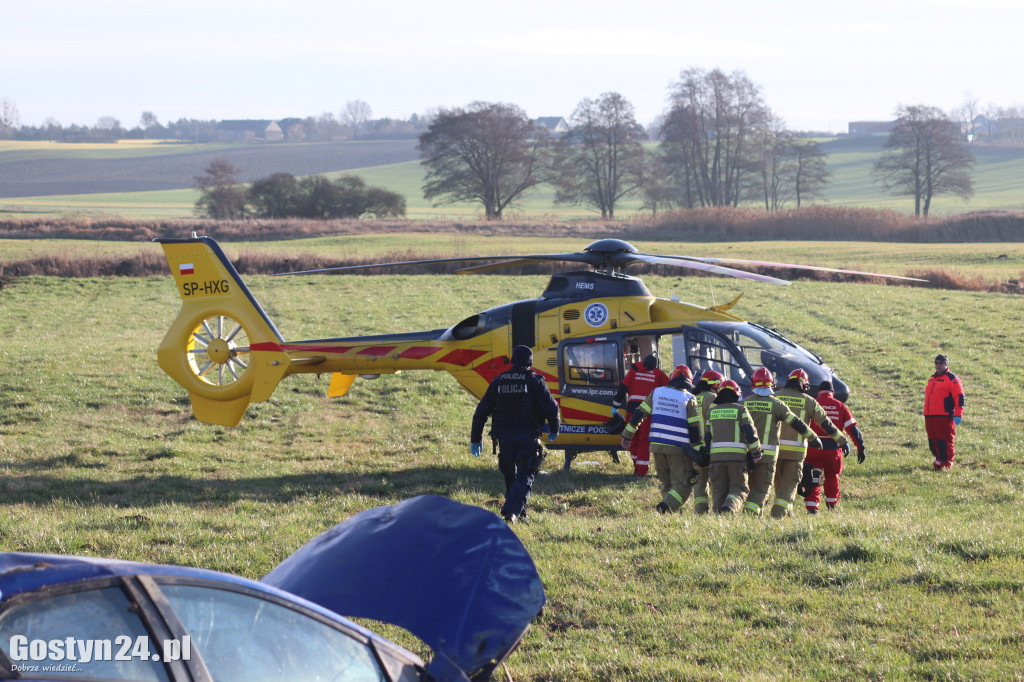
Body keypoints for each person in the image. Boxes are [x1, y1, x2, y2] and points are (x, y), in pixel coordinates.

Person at [471, 345, 561, 523]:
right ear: (530, 362)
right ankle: (511, 511)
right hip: (527, 435)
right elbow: (552, 407)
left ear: (513, 360)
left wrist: (476, 438)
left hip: (504, 437)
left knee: (510, 474)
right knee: (526, 473)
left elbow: (481, 411)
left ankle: (519, 512)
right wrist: (554, 428)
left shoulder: (498, 381)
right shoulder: (535, 381)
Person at [620, 364, 705, 513]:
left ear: (671, 378)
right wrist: (698, 452)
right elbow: (694, 429)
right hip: (679, 449)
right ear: (689, 382)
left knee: (667, 484)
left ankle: (669, 514)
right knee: (683, 484)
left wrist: (627, 436)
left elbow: (639, 414)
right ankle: (665, 507)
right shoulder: (689, 398)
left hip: (657, 446)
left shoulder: (657, 393)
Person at [741, 368, 821, 516]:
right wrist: (813, 437)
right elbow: (796, 423)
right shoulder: (777, 404)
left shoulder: (744, 404)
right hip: (769, 455)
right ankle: (755, 515)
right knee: (762, 489)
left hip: (747, 454)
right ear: (771, 384)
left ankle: (752, 515)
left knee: (752, 487)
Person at [771, 368, 847, 519]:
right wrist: (842, 441)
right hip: (796, 453)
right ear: (805, 385)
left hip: (775, 450)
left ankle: (788, 513)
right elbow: (826, 424)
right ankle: (779, 515)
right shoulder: (809, 401)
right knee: (790, 484)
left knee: (779, 485)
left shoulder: (775, 397)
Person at [803, 380, 866, 512]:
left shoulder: (812, 403)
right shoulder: (841, 406)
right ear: (833, 393)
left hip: (813, 448)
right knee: (833, 477)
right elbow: (852, 429)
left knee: (814, 477)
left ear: (819, 392)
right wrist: (860, 447)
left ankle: (812, 507)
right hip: (833, 449)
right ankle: (831, 505)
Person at [705, 379, 762, 513]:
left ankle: (719, 518)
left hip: (716, 459)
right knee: (740, 488)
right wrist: (756, 452)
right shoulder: (741, 409)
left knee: (719, 490)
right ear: (737, 393)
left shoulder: (712, 412)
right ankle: (729, 509)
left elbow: (707, 438)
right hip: (737, 458)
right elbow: (750, 432)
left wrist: (709, 455)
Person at [613, 354, 668, 476]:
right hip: (647, 414)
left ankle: (637, 466)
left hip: (632, 411)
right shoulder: (658, 374)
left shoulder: (634, 371)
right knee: (644, 442)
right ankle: (641, 470)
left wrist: (615, 406)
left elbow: (622, 388)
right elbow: (669, 388)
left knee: (632, 439)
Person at [924, 354, 965, 470]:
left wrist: (958, 414)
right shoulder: (932, 379)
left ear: (946, 364)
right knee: (933, 441)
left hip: (944, 415)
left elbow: (960, 397)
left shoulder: (952, 379)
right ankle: (939, 460)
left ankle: (947, 463)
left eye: (941, 363)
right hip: (930, 415)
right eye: (936, 363)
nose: (938, 365)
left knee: (945, 440)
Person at [691, 369, 723, 514]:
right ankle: (718, 511)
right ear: (715, 385)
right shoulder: (713, 399)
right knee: (717, 482)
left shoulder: (693, 398)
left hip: (695, 449)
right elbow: (716, 422)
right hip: (712, 448)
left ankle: (700, 512)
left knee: (699, 483)